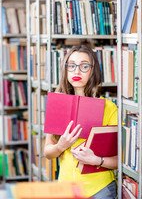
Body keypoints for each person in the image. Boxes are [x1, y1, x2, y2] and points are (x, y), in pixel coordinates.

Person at [44, 45, 118, 199]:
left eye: (84, 66)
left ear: (93, 70)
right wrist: (61, 146)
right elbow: (47, 153)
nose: (77, 71)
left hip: (100, 189)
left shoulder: (109, 108)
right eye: (72, 66)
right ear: (66, 70)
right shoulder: (57, 105)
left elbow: (121, 162)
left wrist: (95, 160)